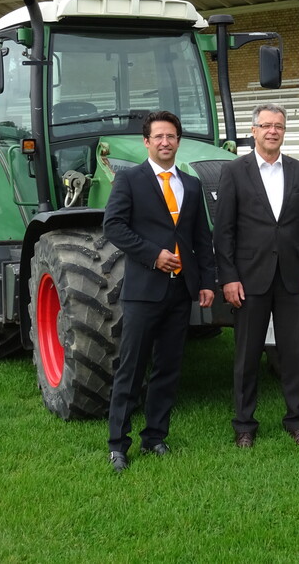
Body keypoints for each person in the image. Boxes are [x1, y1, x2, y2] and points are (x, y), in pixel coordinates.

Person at [103, 110, 215, 472]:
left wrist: (206, 284)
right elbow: (114, 227)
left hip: (180, 292)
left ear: (178, 141)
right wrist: (153, 255)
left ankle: (155, 437)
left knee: (168, 368)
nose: (165, 142)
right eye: (158, 137)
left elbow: (201, 239)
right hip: (143, 291)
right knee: (132, 369)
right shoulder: (130, 180)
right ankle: (118, 444)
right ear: (147, 142)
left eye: (171, 136)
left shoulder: (192, 185)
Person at [214, 103, 299, 448]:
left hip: (294, 277)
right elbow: (224, 231)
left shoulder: (298, 171)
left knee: (293, 354)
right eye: (265, 125)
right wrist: (229, 278)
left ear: (283, 131)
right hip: (249, 280)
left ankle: (297, 421)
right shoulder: (234, 171)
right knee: (246, 356)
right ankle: (244, 425)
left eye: (278, 126)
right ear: (254, 131)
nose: (272, 131)